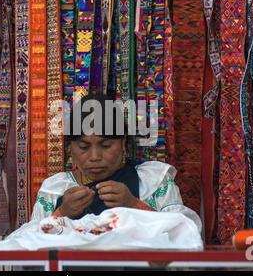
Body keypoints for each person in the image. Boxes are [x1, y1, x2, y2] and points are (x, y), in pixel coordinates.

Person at [31, 94, 201, 231]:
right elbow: (28, 249)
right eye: (83, 147)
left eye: (106, 145)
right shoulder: (54, 189)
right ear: (70, 147)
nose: (95, 156)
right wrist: (62, 213)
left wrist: (135, 205)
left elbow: (186, 233)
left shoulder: (152, 181)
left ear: (122, 141)